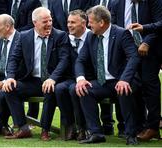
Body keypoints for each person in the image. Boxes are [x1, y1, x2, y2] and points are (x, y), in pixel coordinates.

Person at [2, 7, 71, 140]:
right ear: (35, 22)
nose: (49, 24)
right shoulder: (24, 36)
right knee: (9, 89)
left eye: (50, 20)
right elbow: (13, 59)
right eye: (45, 21)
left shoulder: (60, 36)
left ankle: (45, 130)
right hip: (32, 81)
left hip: (52, 80)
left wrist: (53, 78)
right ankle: (22, 128)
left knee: (51, 90)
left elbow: (64, 60)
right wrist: (10, 77)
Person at [75, 5, 140, 145]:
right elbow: (80, 60)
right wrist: (80, 79)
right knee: (84, 90)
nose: (88, 25)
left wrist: (124, 79)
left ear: (101, 22)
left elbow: (134, 57)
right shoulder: (90, 37)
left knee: (124, 90)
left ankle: (131, 134)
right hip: (102, 82)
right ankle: (96, 133)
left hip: (121, 80)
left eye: (90, 21)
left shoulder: (122, 34)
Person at [111, 0, 162, 141]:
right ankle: (139, 126)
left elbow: (159, 23)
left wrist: (146, 41)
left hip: (149, 51)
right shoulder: (116, 4)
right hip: (127, 53)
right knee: (133, 86)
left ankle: (153, 127)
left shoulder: (154, 2)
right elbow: (114, 27)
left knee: (149, 85)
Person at [55, 9, 90, 141]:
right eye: (68, 22)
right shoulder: (65, 38)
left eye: (73, 22)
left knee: (74, 90)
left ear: (83, 23)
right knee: (59, 88)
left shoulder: (92, 36)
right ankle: (70, 125)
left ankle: (83, 127)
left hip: (90, 77)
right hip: (71, 77)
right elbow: (64, 59)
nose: (69, 25)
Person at [0, 14, 21, 136]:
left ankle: (2, 125)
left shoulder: (22, 39)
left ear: (7, 27)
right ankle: (0, 125)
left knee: (3, 94)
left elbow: (23, 68)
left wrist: (6, 81)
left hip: (16, 80)